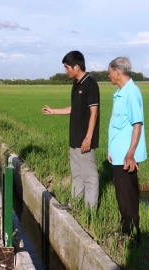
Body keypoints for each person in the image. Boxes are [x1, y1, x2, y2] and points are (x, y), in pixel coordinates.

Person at [42, 51, 100, 209]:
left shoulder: (91, 84)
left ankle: (90, 211)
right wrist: (54, 111)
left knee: (89, 176)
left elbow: (94, 112)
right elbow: (75, 108)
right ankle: (74, 204)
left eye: (67, 67)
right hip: (74, 137)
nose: (65, 71)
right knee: (77, 174)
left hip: (84, 138)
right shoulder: (76, 84)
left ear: (76, 66)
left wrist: (88, 138)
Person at [107, 56, 147, 242]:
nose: (108, 76)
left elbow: (137, 125)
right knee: (122, 194)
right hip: (118, 154)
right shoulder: (121, 93)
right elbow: (118, 125)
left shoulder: (132, 93)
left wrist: (130, 154)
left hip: (126, 156)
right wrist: (111, 149)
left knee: (128, 195)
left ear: (117, 71)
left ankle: (132, 234)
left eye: (110, 72)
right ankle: (125, 229)